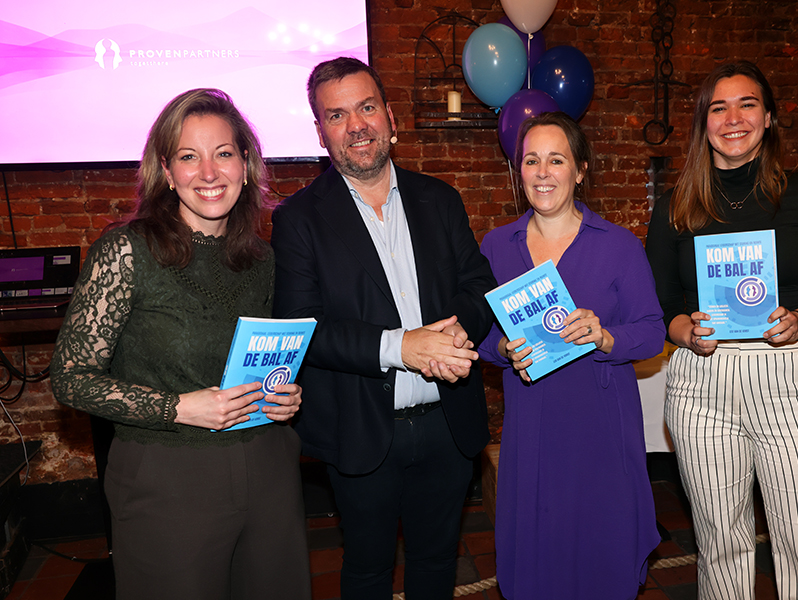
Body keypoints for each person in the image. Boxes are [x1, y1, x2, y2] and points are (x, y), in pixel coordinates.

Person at [50, 89, 312, 600]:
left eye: (224, 153)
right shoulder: (127, 251)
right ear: (167, 172)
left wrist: (284, 394)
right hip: (168, 479)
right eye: (189, 157)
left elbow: (257, 360)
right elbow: (70, 378)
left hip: (268, 469)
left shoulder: (262, 259)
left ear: (245, 163)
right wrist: (177, 408)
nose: (209, 172)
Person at [270, 57, 497, 600]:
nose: (357, 125)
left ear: (389, 115)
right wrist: (405, 347)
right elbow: (304, 330)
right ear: (321, 132)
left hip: (448, 423)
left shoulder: (439, 199)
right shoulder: (297, 219)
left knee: (437, 562)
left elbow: (479, 286)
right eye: (338, 115)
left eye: (367, 107)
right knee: (368, 570)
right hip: (362, 428)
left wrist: (455, 335)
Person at [645, 61, 798, 599]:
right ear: (704, 123)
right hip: (703, 379)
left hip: (789, 374)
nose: (733, 117)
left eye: (747, 104)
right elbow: (660, 304)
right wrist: (685, 331)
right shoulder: (676, 204)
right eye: (717, 108)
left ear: (768, 118)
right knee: (721, 545)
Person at [477, 111, 666, 599]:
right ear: (518, 172)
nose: (543, 173)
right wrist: (501, 347)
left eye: (556, 160)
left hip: (600, 425)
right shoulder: (497, 246)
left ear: (580, 170)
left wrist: (605, 338)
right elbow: (477, 337)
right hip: (533, 426)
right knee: (539, 553)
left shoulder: (618, 245)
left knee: (601, 550)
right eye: (531, 161)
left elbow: (651, 332)